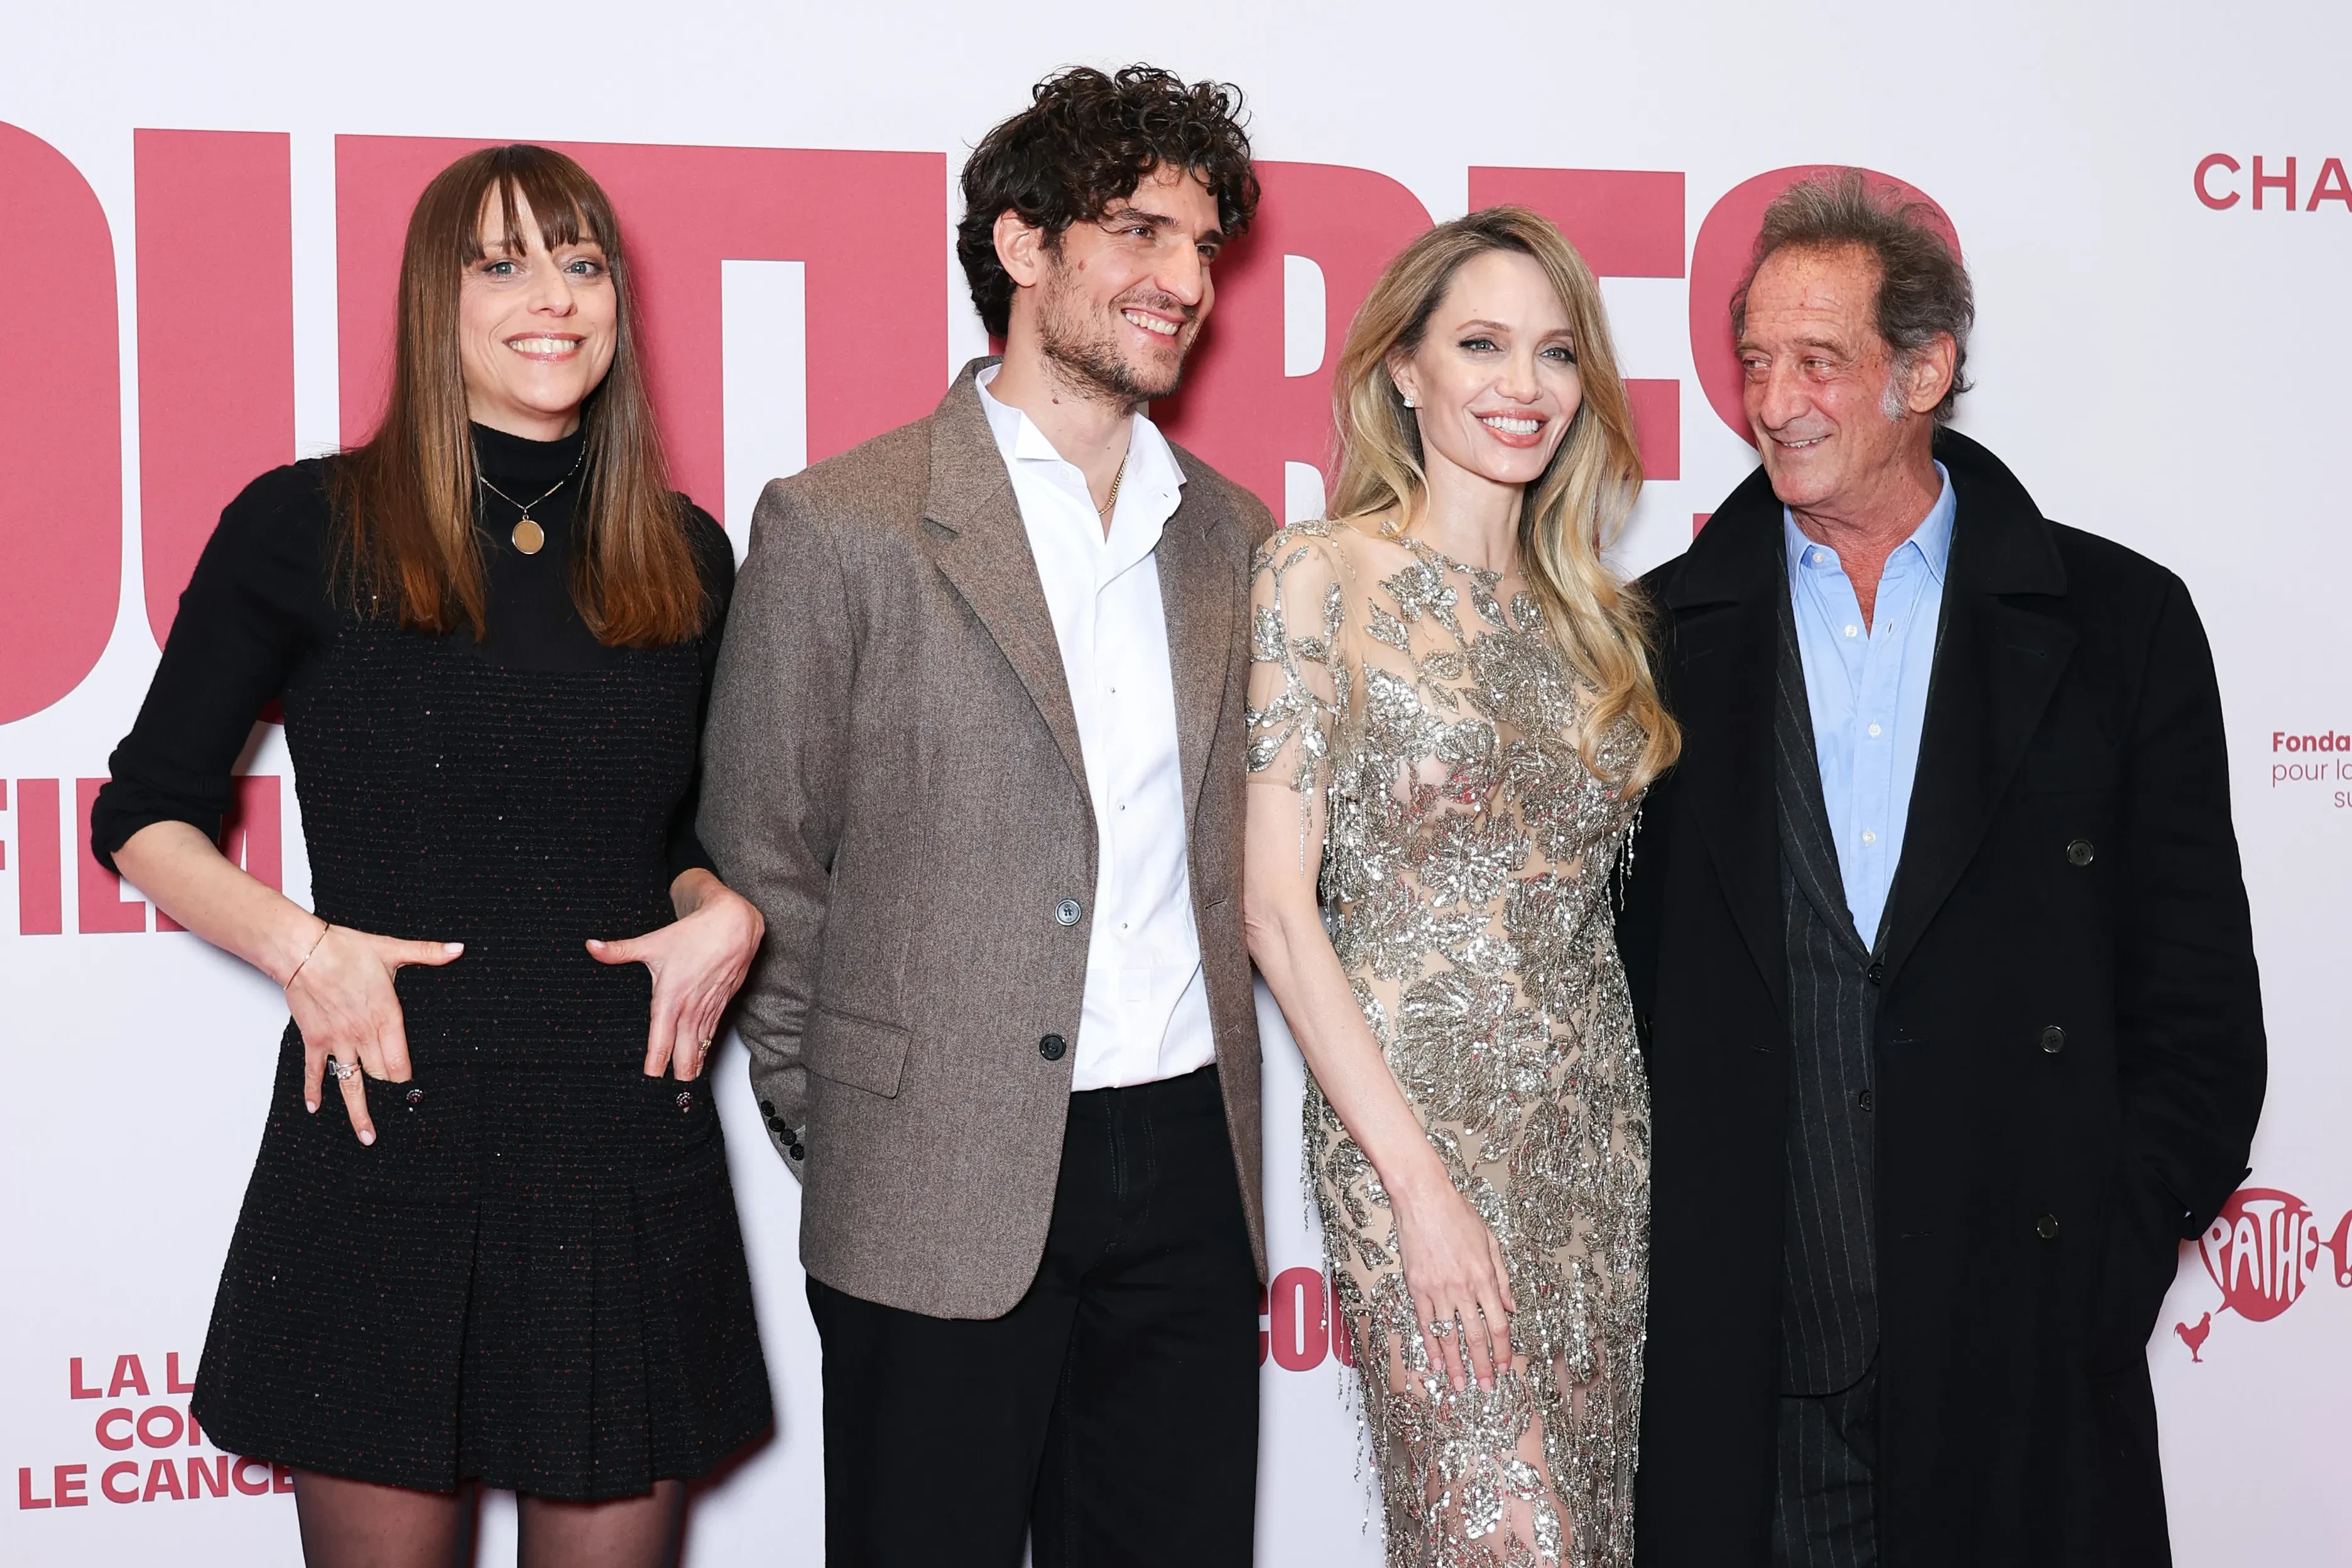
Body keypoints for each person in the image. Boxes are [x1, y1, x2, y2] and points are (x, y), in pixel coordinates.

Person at [92, 144, 771, 1568]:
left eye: (582, 265)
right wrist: (305, 953)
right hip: (382, 1119)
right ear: (432, 300)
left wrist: (725, 908)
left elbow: (687, 836)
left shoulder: (686, 552)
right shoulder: (307, 524)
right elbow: (143, 812)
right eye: (502, 264)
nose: (554, 298)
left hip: (615, 1137)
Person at [1617, 170, 2267, 1566]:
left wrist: (2105, 1261)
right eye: (1754, 362)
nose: (1773, 400)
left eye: (1818, 360)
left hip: (2022, 1350)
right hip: (1755, 1367)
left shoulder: (2121, 624)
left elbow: (2200, 1004)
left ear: (1924, 372)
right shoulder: (1653, 641)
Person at [698, 65, 1270, 1566]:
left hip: (1189, 1163)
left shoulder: (1236, 538)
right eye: (1139, 232)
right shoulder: (843, 524)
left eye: (1202, 245)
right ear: (1022, 245)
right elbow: (761, 858)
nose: (1184, 281)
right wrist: (855, 1126)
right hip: (934, 1173)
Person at [1244, 207, 1680, 1568]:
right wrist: (1420, 1190)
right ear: (1404, 369)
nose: (1524, 385)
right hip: (1412, 1141)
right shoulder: (1319, 573)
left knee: (1589, 1538)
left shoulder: (1601, 622)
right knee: (1504, 1541)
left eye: (1556, 352)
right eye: (1482, 345)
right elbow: (1275, 911)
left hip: (1593, 1150)